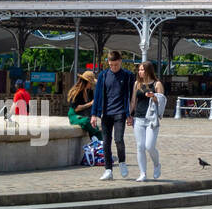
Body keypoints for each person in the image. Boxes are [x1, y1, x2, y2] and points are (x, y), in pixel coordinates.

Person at [91, 50, 134, 180]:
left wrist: (130, 114)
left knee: (118, 139)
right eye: (111, 65)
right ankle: (108, 170)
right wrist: (94, 114)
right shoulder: (103, 76)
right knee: (106, 143)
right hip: (106, 113)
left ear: (120, 61)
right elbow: (97, 96)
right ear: (108, 63)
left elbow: (131, 96)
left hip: (120, 112)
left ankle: (122, 162)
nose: (113, 67)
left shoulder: (127, 76)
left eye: (116, 65)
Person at [129, 61, 167, 181]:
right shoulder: (137, 84)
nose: (140, 72)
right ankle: (143, 173)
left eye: (142, 70)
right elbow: (133, 102)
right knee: (140, 146)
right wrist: (129, 115)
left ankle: (157, 165)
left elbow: (161, 102)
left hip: (151, 119)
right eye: (139, 70)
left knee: (149, 146)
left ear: (148, 70)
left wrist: (153, 96)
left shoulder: (157, 84)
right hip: (138, 118)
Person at [66, 70, 96, 134]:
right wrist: (90, 103)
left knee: (94, 124)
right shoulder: (77, 92)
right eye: (90, 83)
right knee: (86, 122)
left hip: (85, 114)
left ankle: (98, 141)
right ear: (86, 82)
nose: (91, 85)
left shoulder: (90, 91)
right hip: (74, 115)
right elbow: (76, 108)